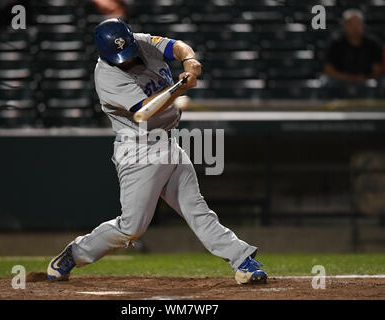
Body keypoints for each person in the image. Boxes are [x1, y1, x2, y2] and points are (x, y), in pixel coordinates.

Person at [46, 18, 268, 285]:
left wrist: (189, 62)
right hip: (139, 150)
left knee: (196, 209)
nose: (126, 60)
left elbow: (178, 47)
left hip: (168, 142)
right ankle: (74, 254)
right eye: (120, 57)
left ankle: (242, 260)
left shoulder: (140, 42)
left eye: (127, 52)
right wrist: (179, 87)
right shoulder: (106, 75)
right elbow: (145, 110)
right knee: (132, 228)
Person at [323, 9, 383, 83]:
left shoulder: (373, 44)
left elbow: (377, 70)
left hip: (367, 83)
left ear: (363, 25)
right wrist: (348, 78)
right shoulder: (335, 44)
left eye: (358, 23)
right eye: (350, 24)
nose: (355, 27)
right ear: (344, 26)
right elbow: (329, 69)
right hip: (339, 83)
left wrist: (363, 79)